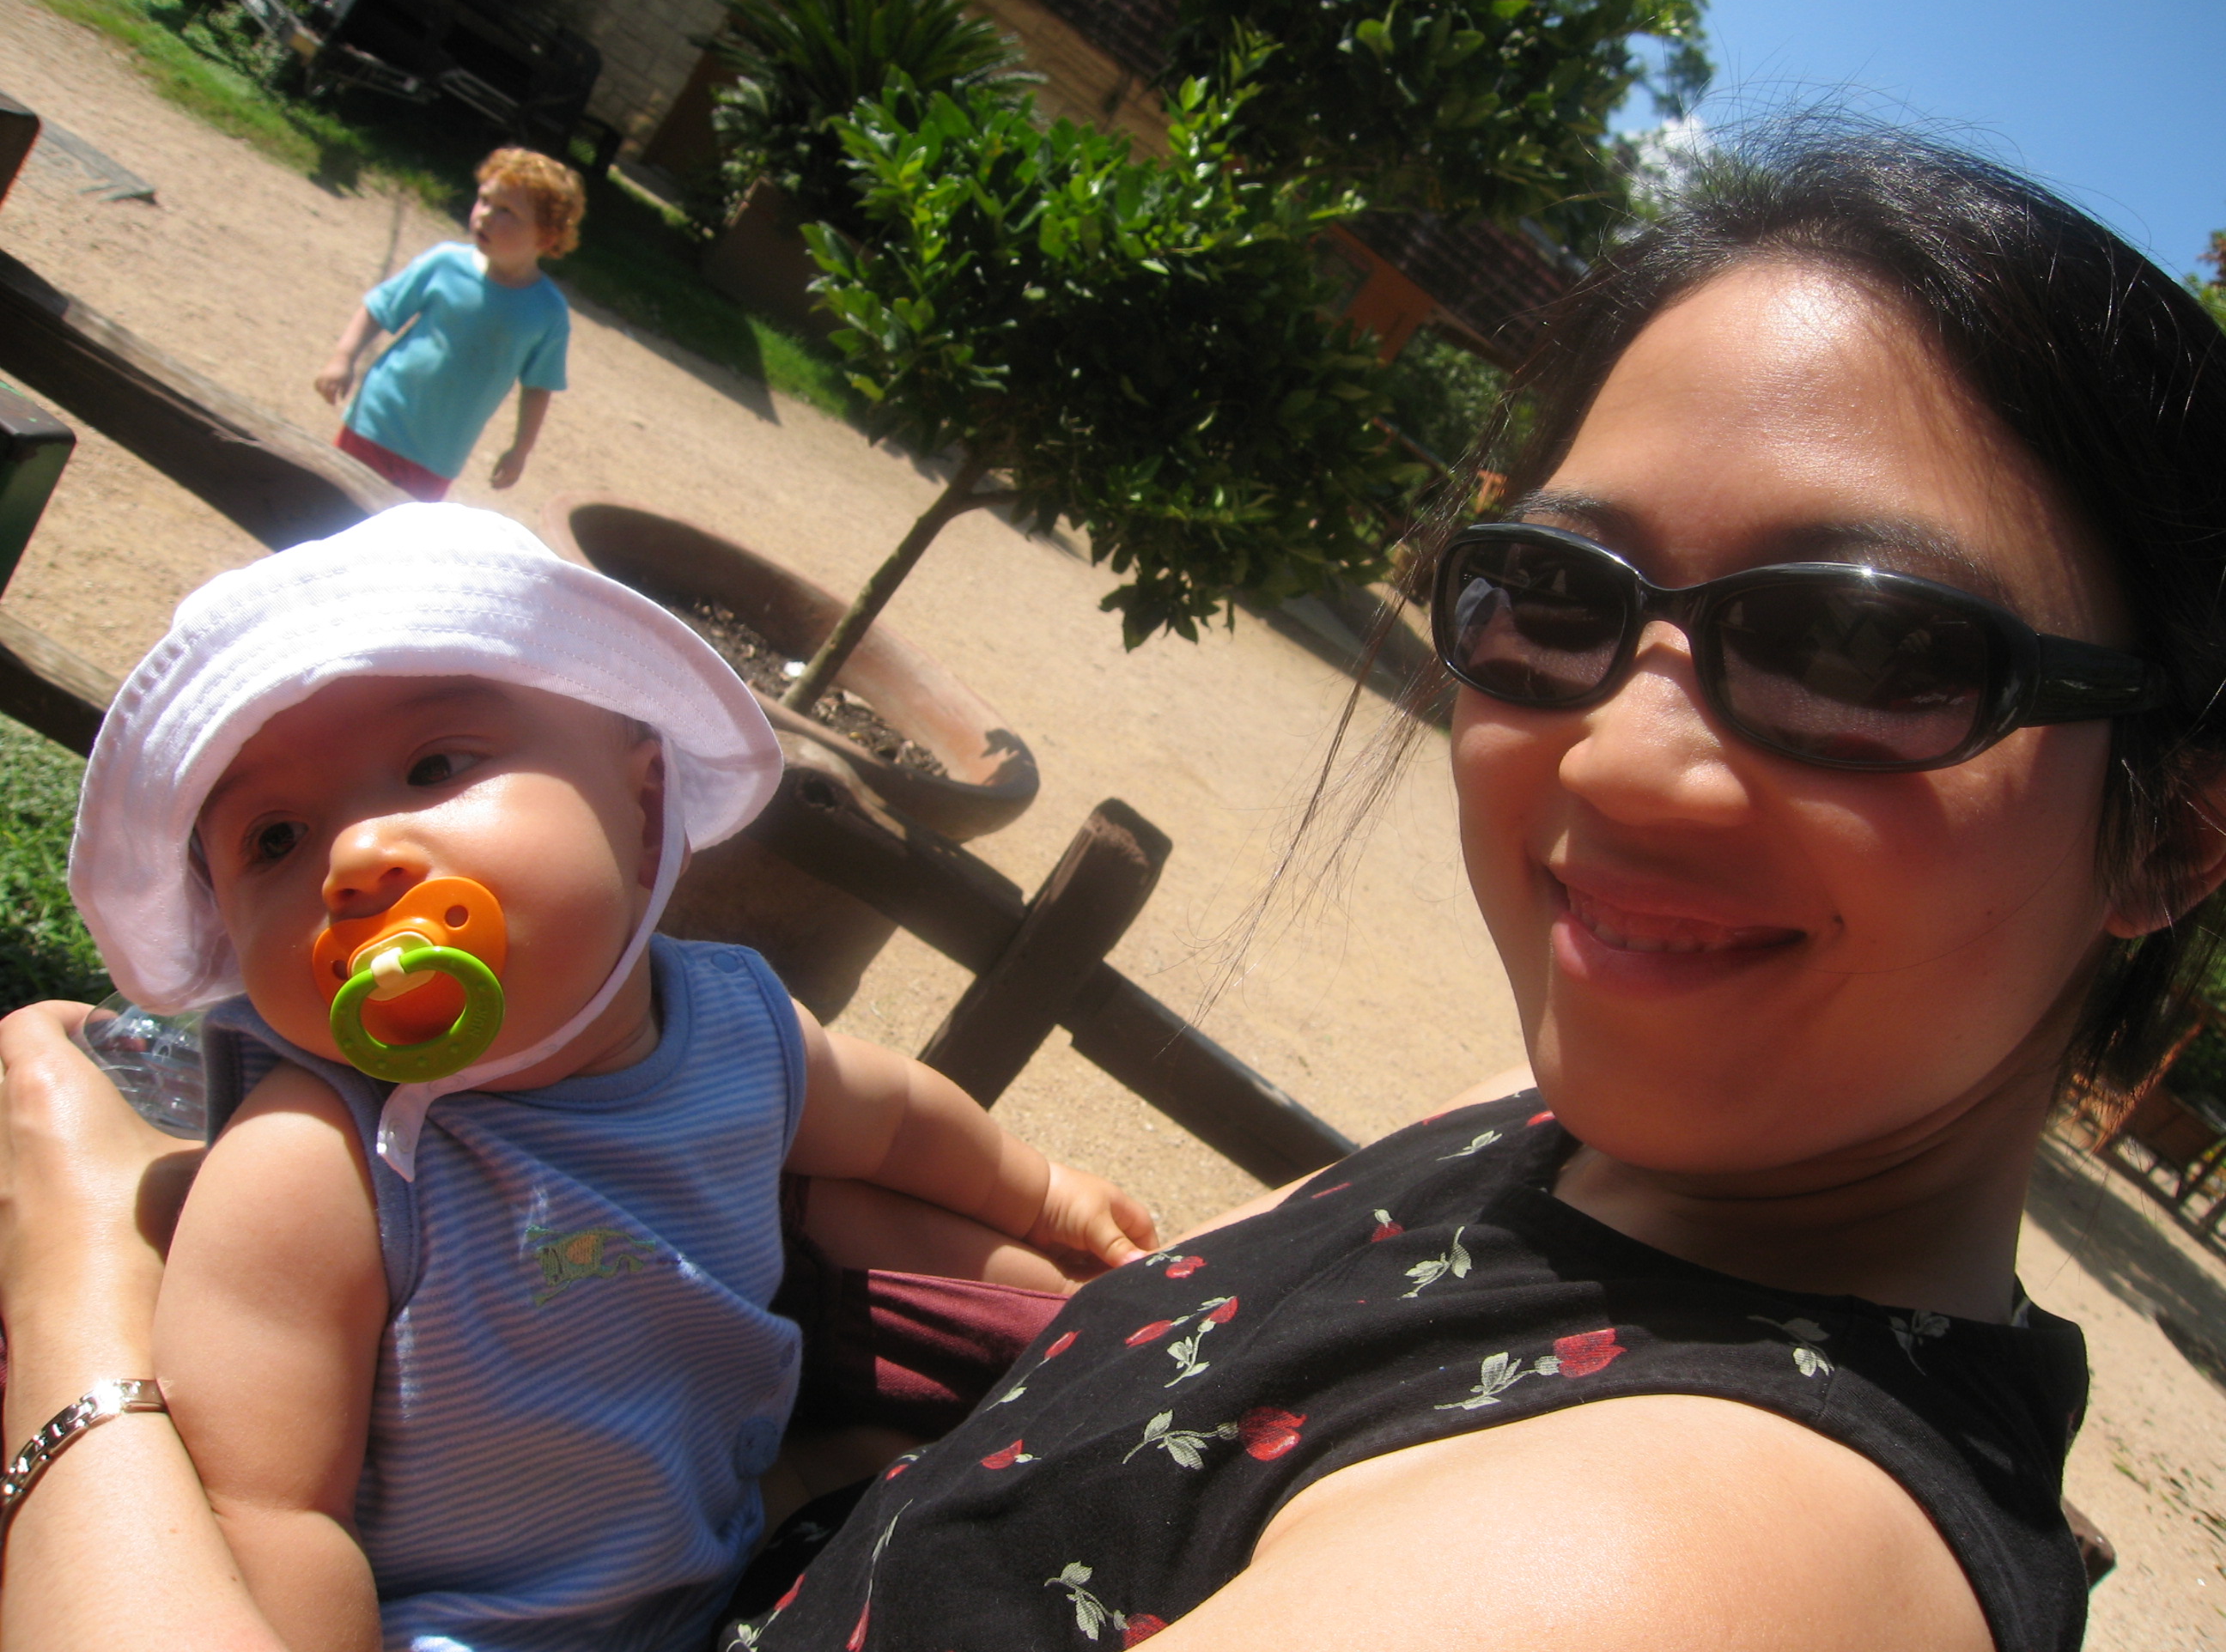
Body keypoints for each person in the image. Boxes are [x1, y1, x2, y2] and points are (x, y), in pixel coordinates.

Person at [3, 124, 2223, 1652]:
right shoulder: (1597, 1149)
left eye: (1860, 646)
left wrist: (76, 1341)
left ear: (2177, 828)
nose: (1623, 756)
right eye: (1555, 595)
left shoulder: (1679, 1568)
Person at [36, 504, 1153, 1652]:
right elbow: (269, 1511)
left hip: (712, 1539)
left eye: (433, 764)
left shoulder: (737, 1026)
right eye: (273, 839)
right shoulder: (316, 1159)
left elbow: (896, 1127)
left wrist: (1045, 1193)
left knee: (897, 1461)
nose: (354, 861)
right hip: (470, 1628)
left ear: (641, 806)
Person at [313, 148, 583, 501]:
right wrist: (343, 358)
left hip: (437, 455)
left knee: (394, 547)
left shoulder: (547, 312)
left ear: (546, 238)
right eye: (485, 200)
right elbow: (380, 308)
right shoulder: (444, 263)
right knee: (328, 510)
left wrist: (520, 451)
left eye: (507, 212)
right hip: (376, 420)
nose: (486, 215)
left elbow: (538, 387)